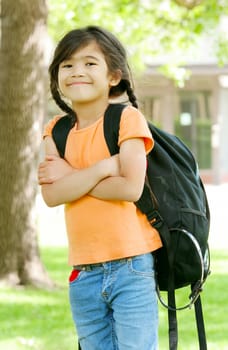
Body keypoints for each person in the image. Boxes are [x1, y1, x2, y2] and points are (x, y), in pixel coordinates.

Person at [38, 25, 162, 350]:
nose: (77, 71)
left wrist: (71, 176)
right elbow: (52, 195)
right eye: (67, 65)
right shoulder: (56, 130)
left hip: (131, 265)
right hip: (83, 271)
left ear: (113, 76)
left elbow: (130, 188)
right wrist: (104, 168)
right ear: (57, 77)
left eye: (90, 63)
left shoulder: (127, 120)